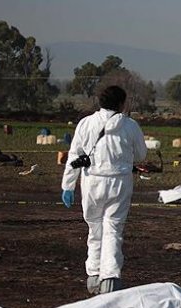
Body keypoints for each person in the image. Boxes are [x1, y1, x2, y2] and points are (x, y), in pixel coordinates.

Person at [60, 86, 147, 294]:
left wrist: (68, 186)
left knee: (94, 228)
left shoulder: (86, 123)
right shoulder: (130, 125)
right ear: (121, 104)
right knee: (113, 229)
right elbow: (142, 155)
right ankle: (110, 277)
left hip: (92, 182)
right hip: (119, 182)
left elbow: (74, 157)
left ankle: (93, 275)